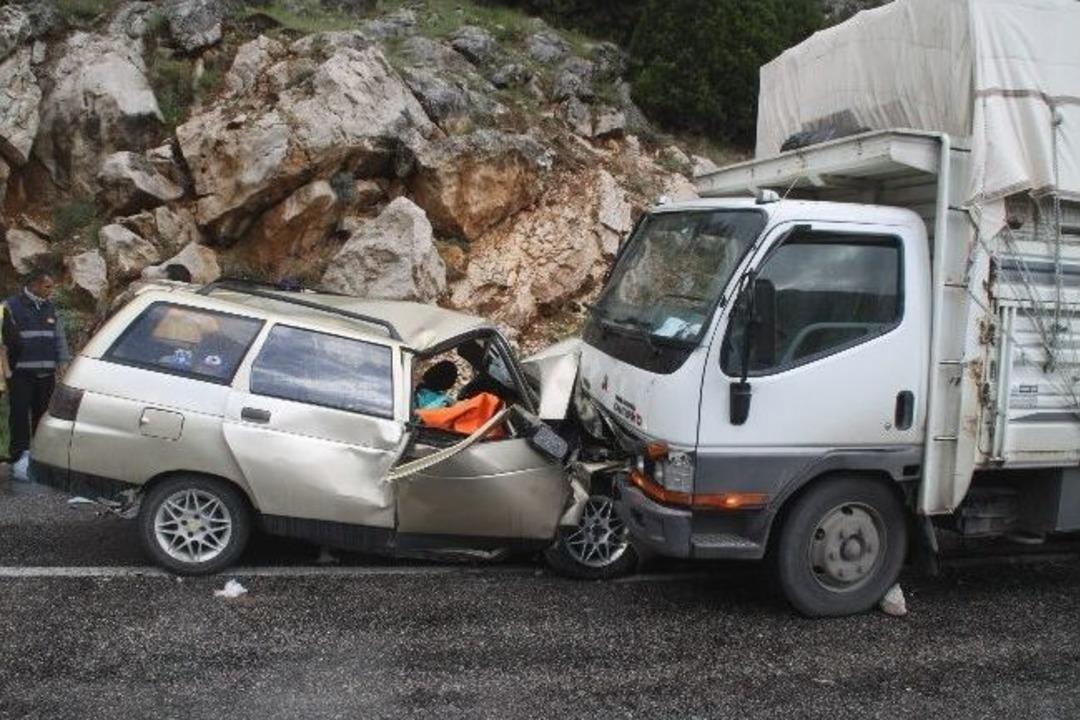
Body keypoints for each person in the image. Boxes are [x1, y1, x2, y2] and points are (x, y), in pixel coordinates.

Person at [3, 269, 70, 462]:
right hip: (20, 375)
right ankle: (18, 457)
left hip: (46, 375)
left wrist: (63, 362)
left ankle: (41, 457)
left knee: (42, 418)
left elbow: (59, 337)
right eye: (48, 286)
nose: (51, 291)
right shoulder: (10, 306)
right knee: (19, 415)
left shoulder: (51, 308)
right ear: (35, 285)